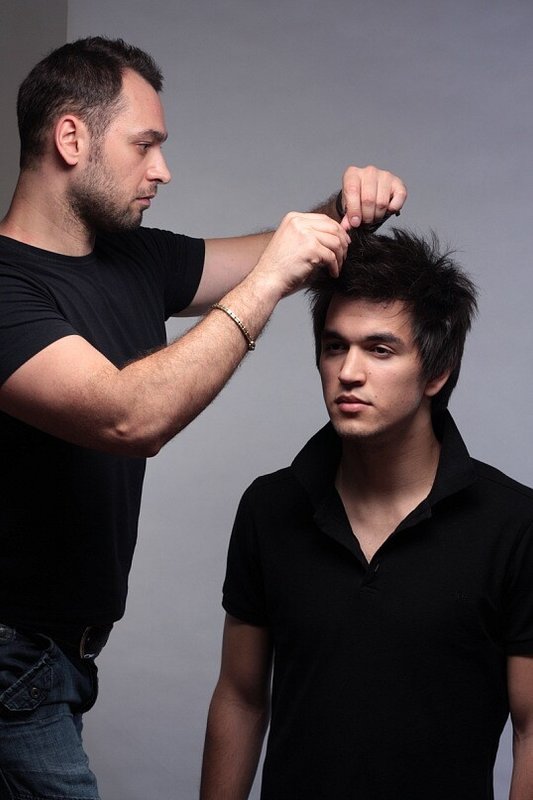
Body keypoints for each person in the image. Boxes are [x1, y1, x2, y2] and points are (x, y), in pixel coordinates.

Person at [0, 35, 406, 799]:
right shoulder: (6, 288)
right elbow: (128, 417)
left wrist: (347, 211)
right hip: (11, 657)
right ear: (70, 138)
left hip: (57, 663)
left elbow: (279, 254)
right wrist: (272, 276)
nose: (162, 169)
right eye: (144, 144)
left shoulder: (134, 261)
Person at [200, 229, 533, 800]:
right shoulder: (270, 507)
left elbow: (530, 728)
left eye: (380, 349)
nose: (348, 372)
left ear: (437, 372)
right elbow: (240, 696)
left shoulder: (514, 524)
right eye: (335, 347)